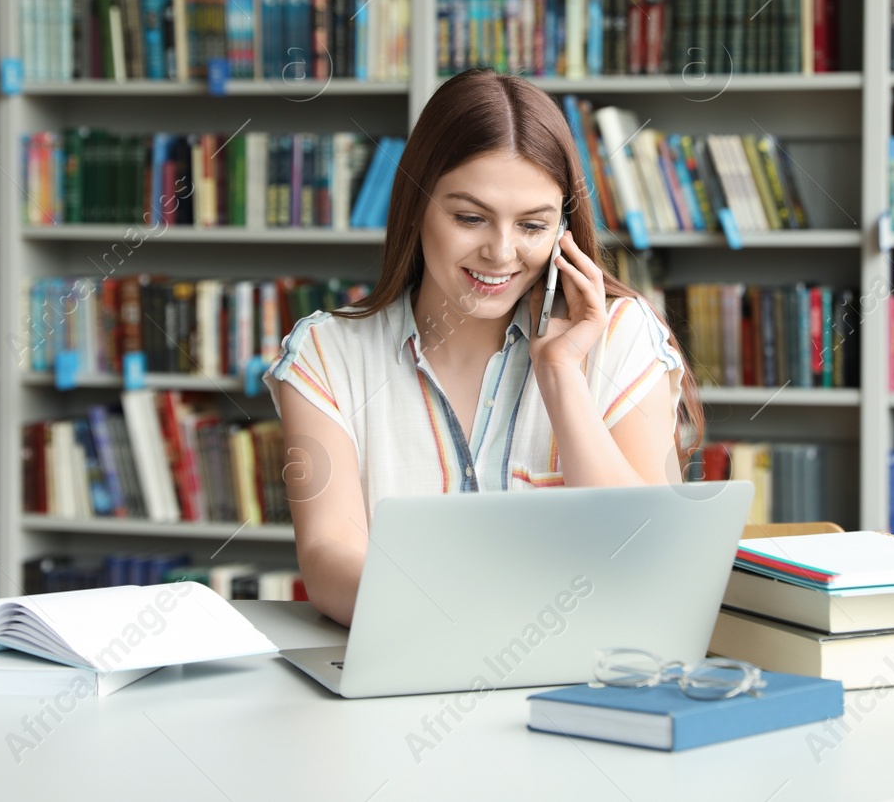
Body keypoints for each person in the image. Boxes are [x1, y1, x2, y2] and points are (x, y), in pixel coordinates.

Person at [261, 69, 705, 625]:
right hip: (404, 662)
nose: (501, 252)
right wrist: (462, 616)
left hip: (585, 680)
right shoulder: (327, 355)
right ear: (416, 205)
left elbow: (648, 555)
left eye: (533, 226)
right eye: (470, 218)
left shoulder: (621, 337)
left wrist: (562, 374)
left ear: (563, 231)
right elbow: (330, 559)